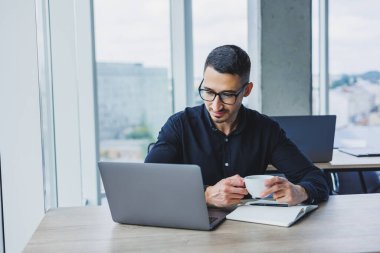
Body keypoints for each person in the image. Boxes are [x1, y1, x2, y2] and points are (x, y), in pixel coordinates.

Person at [145, 45, 329, 207]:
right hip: (192, 232)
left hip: (246, 232)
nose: (215, 106)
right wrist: (205, 195)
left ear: (247, 91)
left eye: (227, 95)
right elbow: (147, 182)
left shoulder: (265, 130)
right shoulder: (179, 126)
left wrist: (300, 192)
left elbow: (316, 179)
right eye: (208, 92)